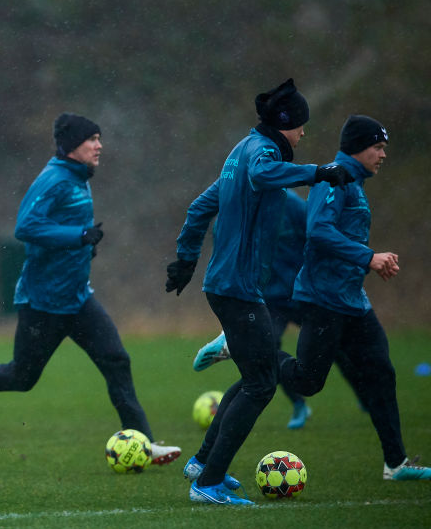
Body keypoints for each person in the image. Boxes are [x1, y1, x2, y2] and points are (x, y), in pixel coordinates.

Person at [0, 113, 180, 466]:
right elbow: (26, 227)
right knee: (22, 376)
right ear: (71, 147)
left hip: (78, 298)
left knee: (117, 361)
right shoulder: (54, 180)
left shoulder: (80, 178)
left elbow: (65, 228)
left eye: (99, 138)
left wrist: (84, 244)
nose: (99, 145)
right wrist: (77, 237)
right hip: (43, 302)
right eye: (92, 139)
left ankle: (143, 442)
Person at [165, 78, 354, 505]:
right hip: (238, 288)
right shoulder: (260, 155)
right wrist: (319, 171)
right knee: (262, 384)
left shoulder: (239, 152)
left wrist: (185, 260)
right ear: (285, 124)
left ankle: (203, 463)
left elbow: (199, 208)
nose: (304, 133)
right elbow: (264, 173)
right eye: (301, 125)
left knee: (256, 375)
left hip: (232, 284)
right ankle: (207, 483)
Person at [278, 115, 431, 481]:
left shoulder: (355, 181)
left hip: (353, 302)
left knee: (381, 372)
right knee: (307, 381)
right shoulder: (335, 178)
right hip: (323, 299)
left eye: (383, 148)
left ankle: (395, 463)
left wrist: (370, 263)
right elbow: (318, 231)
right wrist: (369, 257)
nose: (382, 155)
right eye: (377, 147)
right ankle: (247, 348)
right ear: (358, 148)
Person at [192, 189, 368, 429]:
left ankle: (365, 396)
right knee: (266, 349)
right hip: (268, 300)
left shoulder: (294, 206)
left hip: (302, 293)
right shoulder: (240, 208)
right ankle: (299, 405)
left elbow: (319, 239)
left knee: (335, 348)